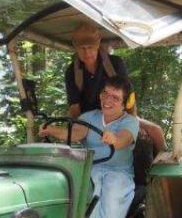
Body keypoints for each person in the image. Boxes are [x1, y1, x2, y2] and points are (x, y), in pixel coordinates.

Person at [40, 74, 139, 218]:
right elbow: (76, 133)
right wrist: (51, 129)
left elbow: (124, 139)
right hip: (91, 168)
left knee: (112, 194)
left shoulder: (130, 122)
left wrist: (114, 138)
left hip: (118, 172)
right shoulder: (89, 117)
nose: (108, 100)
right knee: (86, 188)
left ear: (125, 103)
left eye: (115, 97)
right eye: (105, 94)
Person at [65, 22, 166, 153]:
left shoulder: (114, 64)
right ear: (76, 48)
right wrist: (80, 130)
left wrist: (132, 123)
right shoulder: (72, 72)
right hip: (91, 120)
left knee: (155, 131)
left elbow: (128, 96)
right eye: (82, 48)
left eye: (90, 47)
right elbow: (74, 108)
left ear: (98, 44)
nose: (86, 52)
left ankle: (163, 167)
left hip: (119, 115)